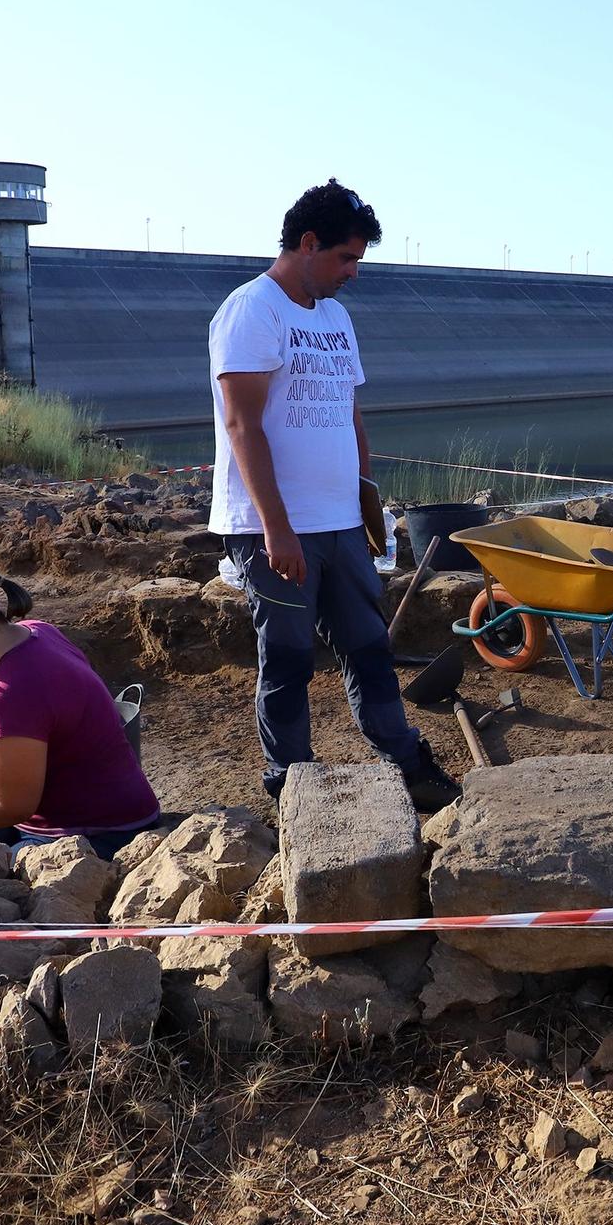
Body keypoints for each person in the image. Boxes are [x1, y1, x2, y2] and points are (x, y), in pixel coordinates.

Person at [208, 179, 459, 809]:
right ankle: (290, 784)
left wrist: (369, 502)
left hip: (341, 523)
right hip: (274, 528)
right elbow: (242, 425)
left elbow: (349, 416)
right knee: (289, 660)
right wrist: (277, 529)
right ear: (307, 242)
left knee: (370, 647)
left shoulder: (336, 317)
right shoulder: (252, 310)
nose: (352, 273)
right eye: (346, 258)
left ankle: (406, 763)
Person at [0, 556, 161, 858]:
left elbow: (11, 807)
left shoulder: (12, 696)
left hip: (100, 834)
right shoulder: (38, 632)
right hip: (121, 807)